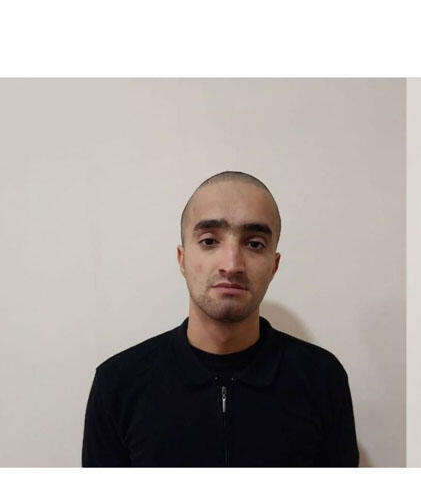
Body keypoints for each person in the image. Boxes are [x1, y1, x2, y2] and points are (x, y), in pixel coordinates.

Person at [82, 171, 359, 466]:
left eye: (254, 244)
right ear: (182, 259)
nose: (232, 265)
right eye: (209, 241)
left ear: (274, 266)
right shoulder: (118, 384)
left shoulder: (321, 378)